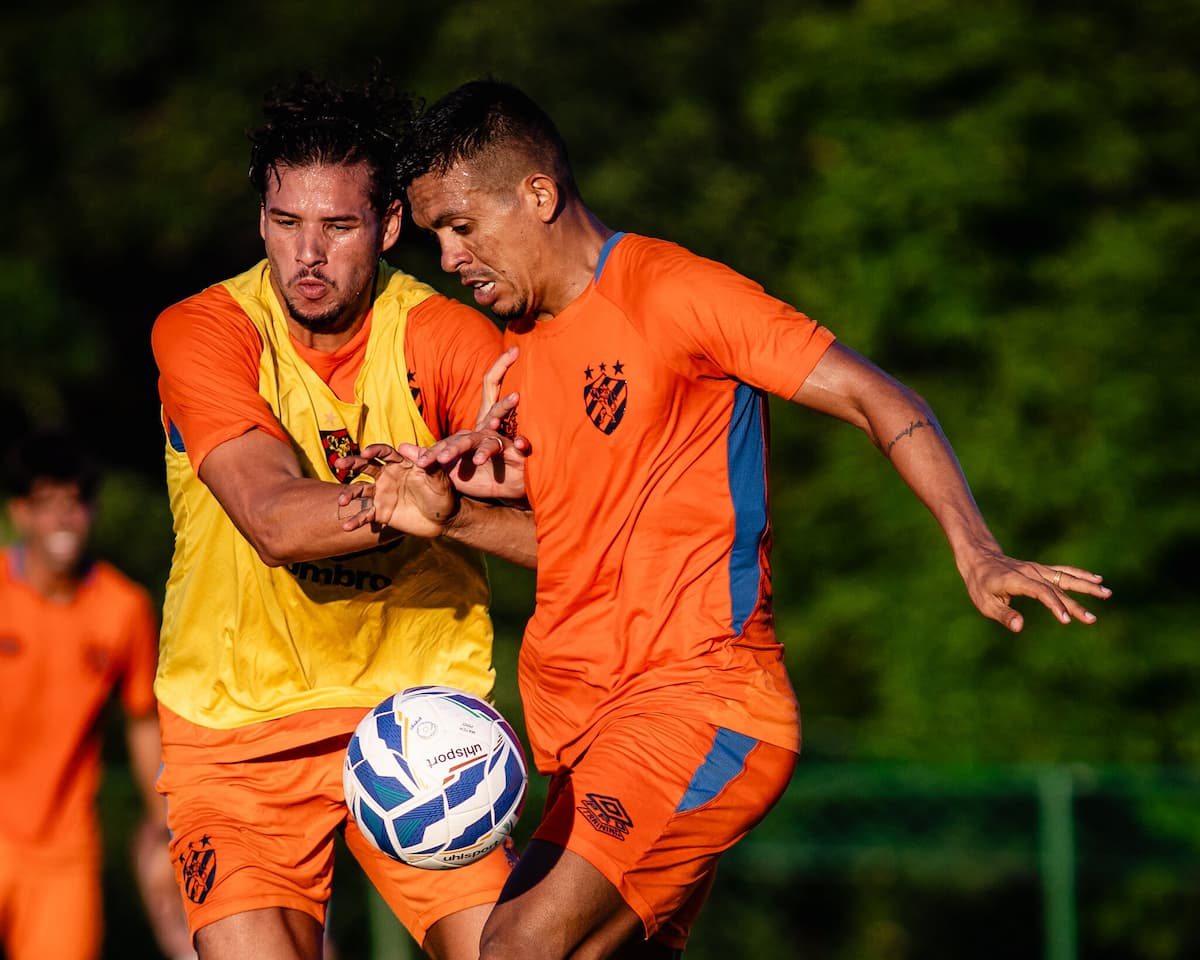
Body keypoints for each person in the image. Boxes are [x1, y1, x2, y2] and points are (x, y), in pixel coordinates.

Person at [342, 79, 1112, 960]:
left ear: (539, 194)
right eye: (436, 235)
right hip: (586, 731)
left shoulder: (670, 291)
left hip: (701, 705)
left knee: (514, 946)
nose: (448, 257)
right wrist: (452, 516)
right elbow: (581, 548)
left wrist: (975, 549)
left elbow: (877, 395)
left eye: (460, 226)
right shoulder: (519, 359)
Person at [149, 70, 532, 960]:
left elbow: (572, 531)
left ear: (390, 227)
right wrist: (408, 499)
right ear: (262, 225)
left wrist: (464, 513)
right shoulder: (205, 331)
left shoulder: (445, 339)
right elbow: (275, 520)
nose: (306, 255)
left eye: (338, 226)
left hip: (417, 724)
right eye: (286, 224)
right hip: (236, 727)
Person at [0, 427, 194, 960]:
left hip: (63, 849)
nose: (63, 517)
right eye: (46, 504)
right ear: (20, 513)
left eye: (75, 503)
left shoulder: (122, 607)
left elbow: (141, 720)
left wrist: (163, 822)